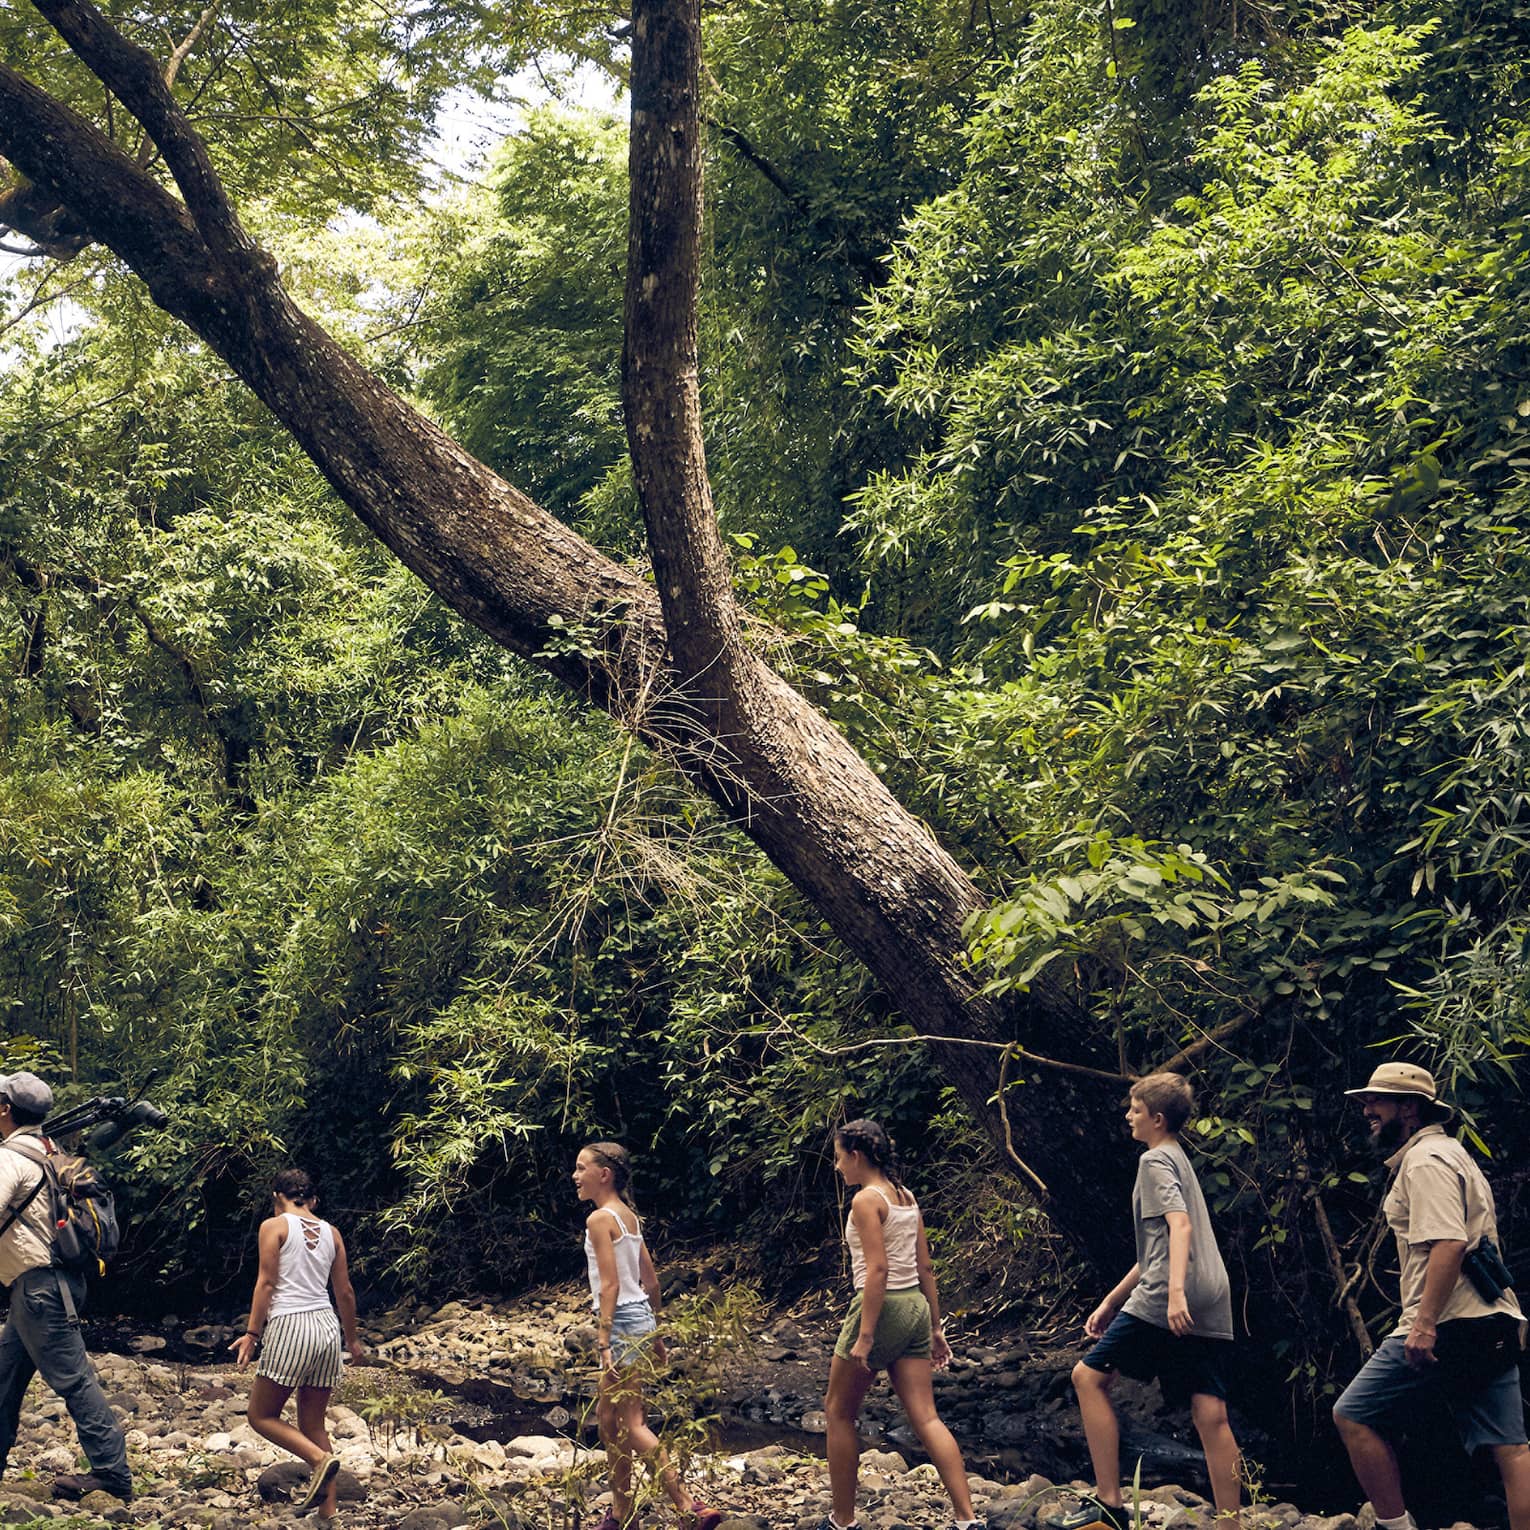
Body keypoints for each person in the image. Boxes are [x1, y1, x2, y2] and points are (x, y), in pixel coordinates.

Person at [1332, 1062, 1529, 1530]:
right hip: (1491, 1318)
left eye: (1376, 1100)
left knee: (1353, 1415)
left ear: (1410, 1108)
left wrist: (1424, 1324)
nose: (1367, 1110)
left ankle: (1395, 1526)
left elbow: (1449, 1243)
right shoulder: (1453, 1154)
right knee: (1513, 1449)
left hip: (1449, 1322)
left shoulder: (1423, 1163)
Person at [1050, 1073, 1241, 1530]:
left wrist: (1174, 1294)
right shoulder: (1180, 1158)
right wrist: (1113, 1301)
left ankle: (1109, 1504)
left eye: (1135, 1109)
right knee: (1210, 1412)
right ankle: (1233, 1524)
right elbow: (1154, 1249)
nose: (1128, 1115)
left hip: (1171, 1291)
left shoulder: (1154, 1161)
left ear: (1156, 1119)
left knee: (1087, 1377)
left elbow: (1180, 1228)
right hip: (1213, 1290)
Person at [819, 1118, 986, 1530]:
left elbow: (877, 1270)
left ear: (856, 1156)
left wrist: (865, 1336)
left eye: (840, 1158)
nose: (838, 1167)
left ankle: (842, 1521)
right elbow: (925, 1266)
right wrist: (935, 1325)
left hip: (883, 1306)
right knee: (927, 1417)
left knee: (838, 1411)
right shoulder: (906, 1197)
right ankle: (969, 1521)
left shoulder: (865, 1201)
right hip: (914, 1305)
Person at [573, 1141, 723, 1530]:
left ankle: (688, 1505)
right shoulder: (628, 1217)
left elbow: (609, 1287)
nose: (575, 1176)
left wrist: (604, 1340)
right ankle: (623, 1512)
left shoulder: (599, 1220)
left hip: (620, 1321)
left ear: (603, 1174)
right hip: (638, 1317)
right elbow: (651, 1283)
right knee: (609, 1420)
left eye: (581, 1168)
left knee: (631, 1422)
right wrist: (655, 1334)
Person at [0, 1070, 132, 1504]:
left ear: (5, 1109)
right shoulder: (49, 1151)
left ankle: (112, 1473)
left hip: (41, 1292)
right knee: (4, 1377)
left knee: (75, 1382)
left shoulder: (11, 1160)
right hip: (47, 1287)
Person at [230, 1169, 364, 1520]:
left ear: (277, 1196)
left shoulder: (273, 1227)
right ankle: (327, 1514)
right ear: (314, 1200)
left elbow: (266, 1283)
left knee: (261, 1415)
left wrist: (252, 1333)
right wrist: (352, 1339)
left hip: (291, 1324)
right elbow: (345, 1291)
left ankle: (319, 1460)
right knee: (314, 1425)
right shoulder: (332, 1233)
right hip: (326, 1328)